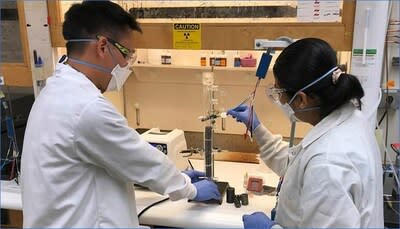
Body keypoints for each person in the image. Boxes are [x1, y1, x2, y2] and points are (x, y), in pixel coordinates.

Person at [21, 1, 220, 228]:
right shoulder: (86, 107)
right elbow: (143, 162)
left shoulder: (54, 92)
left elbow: (122, 158)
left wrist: (178, 176)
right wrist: (189, 188)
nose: (127, 64)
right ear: (103, 46)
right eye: (127, 54)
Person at [228, 38, 383, 228]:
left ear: (301, 99)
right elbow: (298, 166)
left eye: (280, 92)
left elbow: (317, 168)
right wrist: (258, 129)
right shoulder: (351, 121)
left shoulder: (328, 162)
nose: (281, 101)